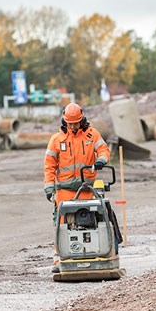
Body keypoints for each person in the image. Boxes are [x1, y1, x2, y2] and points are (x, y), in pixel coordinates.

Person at [44, 103, 110, 272]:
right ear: (64, 121)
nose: (72, 126)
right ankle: (59, 259)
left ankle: (91, 254)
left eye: (75, 123)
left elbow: (103, 149)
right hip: (64, 190)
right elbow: (49, 166)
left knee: (89, 222)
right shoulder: (56, 140)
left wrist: (101, 160)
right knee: (62, 224)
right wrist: (49, 187)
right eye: (69, 123)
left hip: (86, 188)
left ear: (82, 120)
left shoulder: (91, 135)